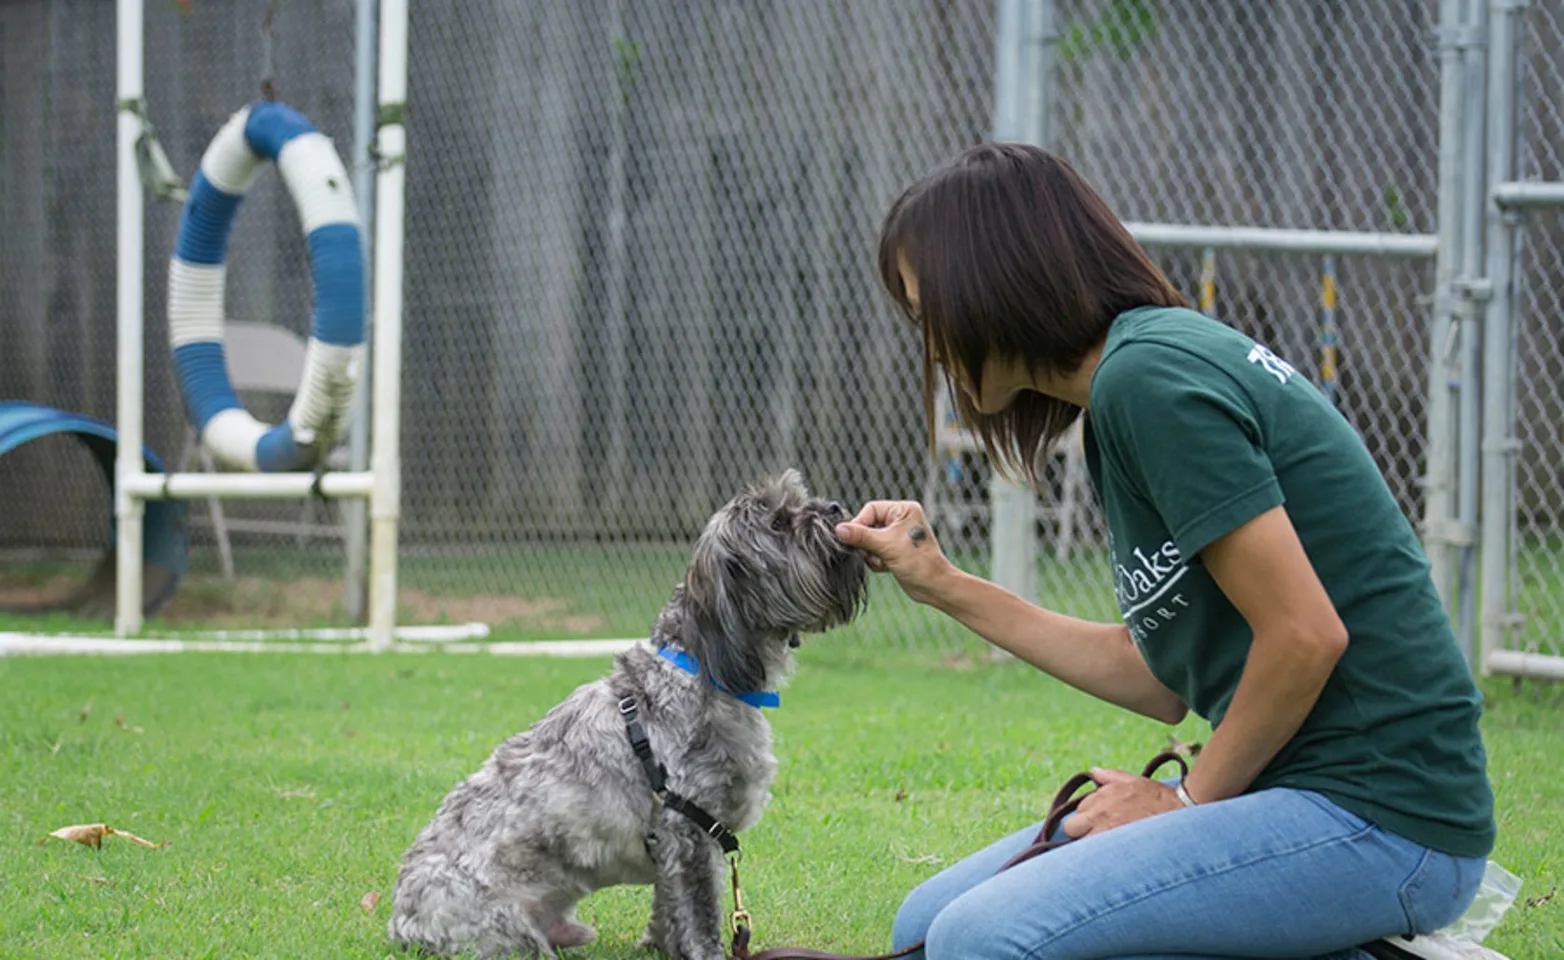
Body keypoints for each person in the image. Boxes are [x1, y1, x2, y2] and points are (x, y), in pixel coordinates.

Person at [833, 143, 1499, 960]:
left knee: (981, 941)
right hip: (1297, 796)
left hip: (1382, 812)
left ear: (992, 278)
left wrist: (1185, 801)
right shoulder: (1127, 387)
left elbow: (1305, 633)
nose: (931, 348)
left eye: (925, 310)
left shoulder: (1147, 381)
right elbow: (1157, 676)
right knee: (927, 927)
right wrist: (941, 583)